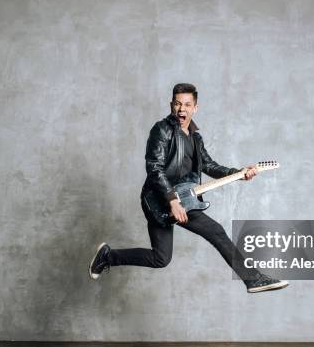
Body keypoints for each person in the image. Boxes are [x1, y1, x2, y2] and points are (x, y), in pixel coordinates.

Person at [89, 83, 288, 293]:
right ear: (171, 105)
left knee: (161, 258)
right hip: (158, 200)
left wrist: (239, 173)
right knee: (217, 232)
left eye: (187, 104)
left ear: (195, 108)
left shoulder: (195, 138)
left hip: (186, 198)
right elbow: (154, 168)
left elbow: (210, 165)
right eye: (177, 104)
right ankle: (253, 279)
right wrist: (172, 200)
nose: (181, 109)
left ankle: (107, 256)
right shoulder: (162, 130)